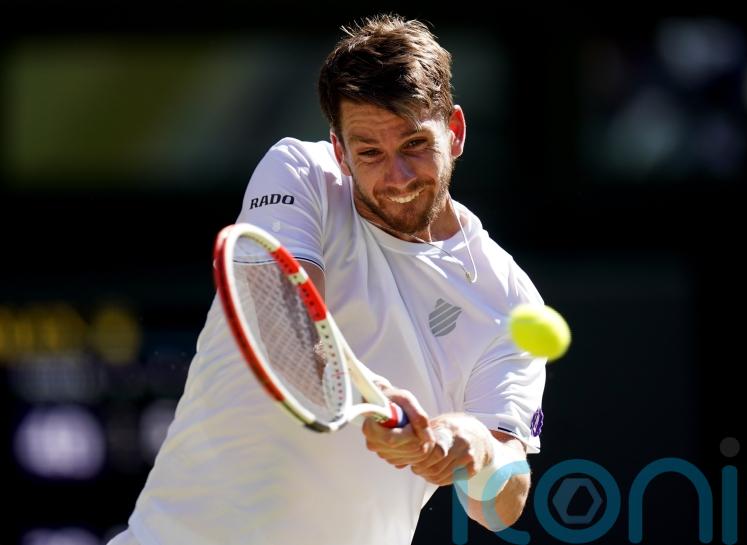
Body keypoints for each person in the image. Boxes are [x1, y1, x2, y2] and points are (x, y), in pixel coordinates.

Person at [109, 14, 546, 545]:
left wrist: (467, 443)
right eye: (370, 153)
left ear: (453, 132)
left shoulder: (512, 300)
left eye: (414, 145)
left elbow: (503, 503)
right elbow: (286, 320)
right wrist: (372, 392)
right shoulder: (299, 172)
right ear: (339, 151)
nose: (399, 178)